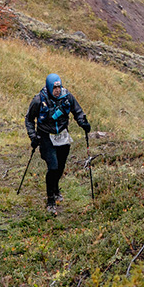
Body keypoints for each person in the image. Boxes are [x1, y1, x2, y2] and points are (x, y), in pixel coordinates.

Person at [25, 73, 90, 215]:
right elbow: (29, 119)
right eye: (55, 87)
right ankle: (50, 200)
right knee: (53, 167)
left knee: (60, 168)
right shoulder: (38, 100)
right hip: (46, 136)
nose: (57, 90)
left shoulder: (67, 97)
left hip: (62, 136)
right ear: (49, 87)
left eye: (59, 87)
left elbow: (77, 111)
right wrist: (33, 136)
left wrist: (83, 123)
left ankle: (55, 188)